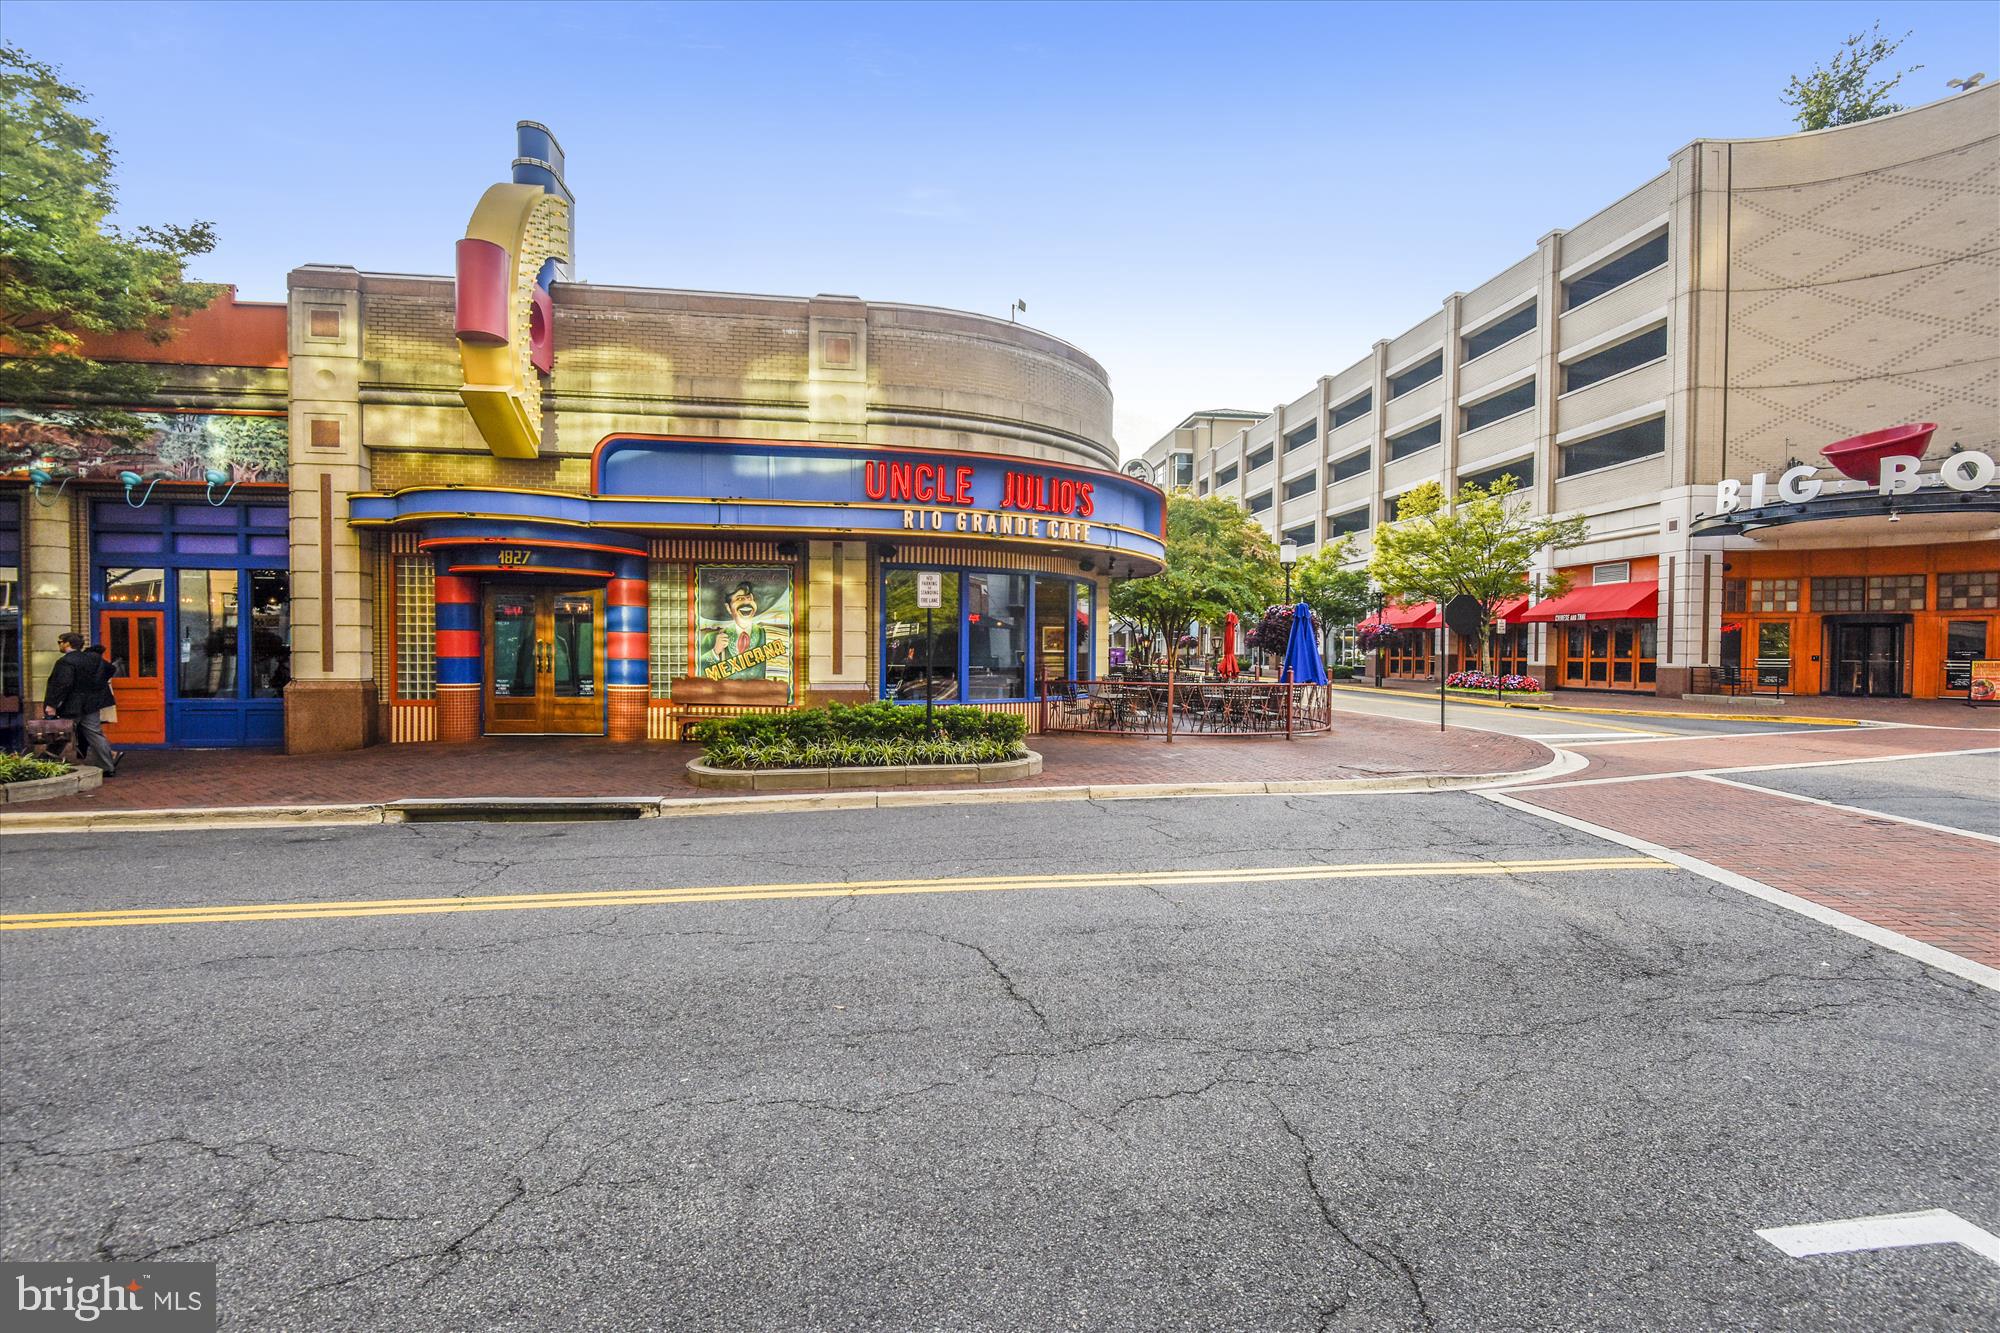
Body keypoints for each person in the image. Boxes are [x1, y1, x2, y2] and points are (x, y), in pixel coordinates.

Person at [42, 631, 118, 775]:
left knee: (62, 732)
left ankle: (45, 761)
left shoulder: (65, 661)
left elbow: (63, 684)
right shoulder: (92, 659)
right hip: (91, 704)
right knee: (95, 733)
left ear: (67, 643)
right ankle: (108, 767)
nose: (59, 645)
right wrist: (96, 686)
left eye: (60, 642)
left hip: (72, 705)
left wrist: (52, 704)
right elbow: (110, 668)